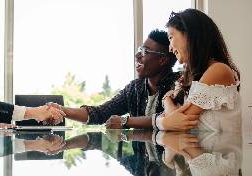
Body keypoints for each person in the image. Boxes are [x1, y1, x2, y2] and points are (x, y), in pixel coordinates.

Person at [48, 29, 188, 129]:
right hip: (143, 167)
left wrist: (125, 121)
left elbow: (166, 119)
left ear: (163, 60)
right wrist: (62, 110)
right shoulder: (134, 88)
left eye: (144, 51)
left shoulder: (180, 83)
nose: (137, 55)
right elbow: (100, 113)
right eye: (140, 49)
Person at [156, 9, 241, 132]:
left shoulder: (218, 70)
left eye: (170, 37)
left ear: (190, 34)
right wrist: (165, 115)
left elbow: (180, 124)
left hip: (215, 149)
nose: (169, 48)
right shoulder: (190, 76)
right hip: (194, 148)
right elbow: (173, 120)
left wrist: (164, 112)